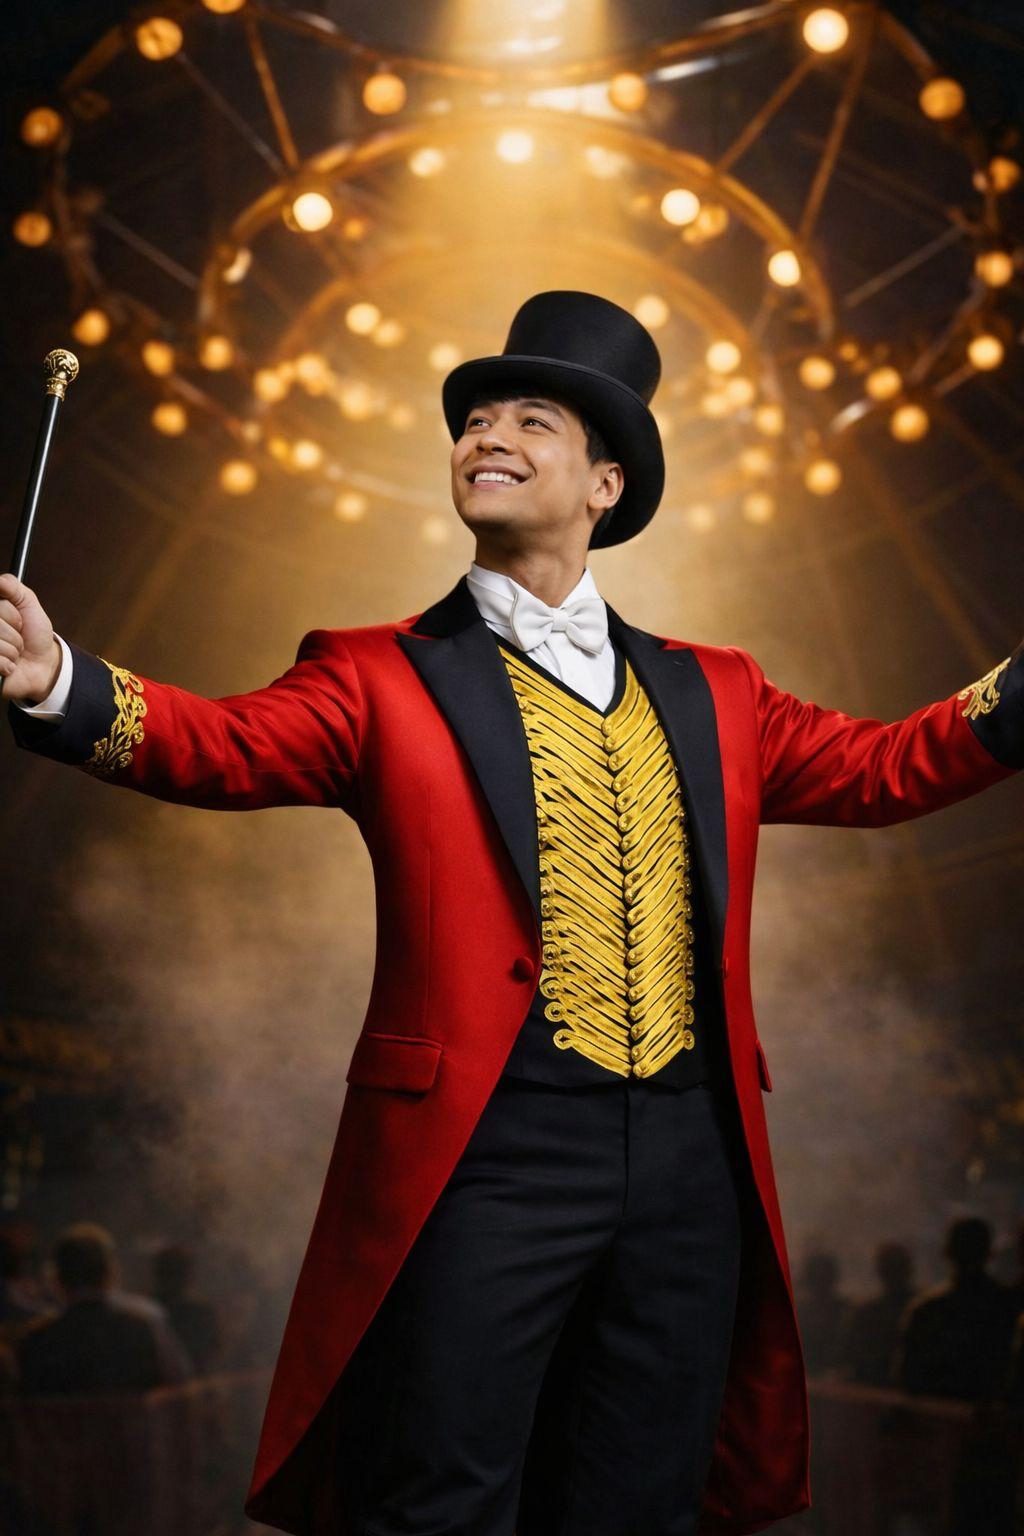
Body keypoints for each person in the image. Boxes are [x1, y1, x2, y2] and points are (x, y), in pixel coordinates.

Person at [1, 289, 1021, 1535]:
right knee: (442, 1495)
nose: (487, 435)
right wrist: (56, 680)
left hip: (691, 1160)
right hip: (485, 1153)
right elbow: (219, 744)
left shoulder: (720, 689)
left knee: (641, 1503)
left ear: (605, 484)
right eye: (475, 419)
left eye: (532, 420)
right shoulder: (373, 672)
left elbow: (887, 767)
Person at [16, 1221, 192, 1395]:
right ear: (111, 1273)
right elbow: (180, 1385)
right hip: (129, 1415)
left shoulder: (36, 1341)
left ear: (56, 1280)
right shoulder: (143, 1327)